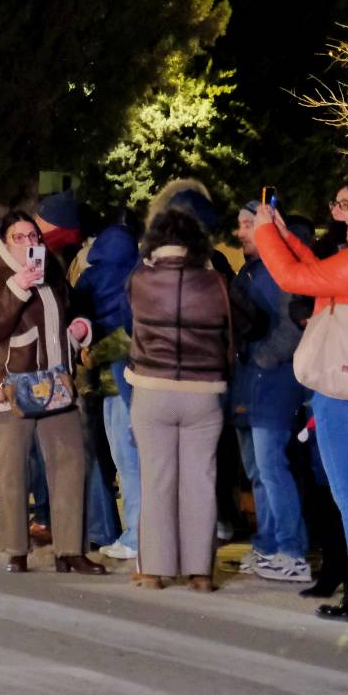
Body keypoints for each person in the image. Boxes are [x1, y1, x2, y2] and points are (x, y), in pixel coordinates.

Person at [251, 180, 348, 621]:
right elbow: (320, 273)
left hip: (342, 391)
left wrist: (264, 232)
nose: (337, 212)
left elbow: (295, 279)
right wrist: (285, 236)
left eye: (346, 204)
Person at [0, 210, 106, 574]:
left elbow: (73, 310)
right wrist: (18, 287)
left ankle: (70, 549)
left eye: (33, 236)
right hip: (12, 386)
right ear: (4, 243)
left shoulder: (53, 273)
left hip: (57, 384)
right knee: (13, 469)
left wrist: (79, 329)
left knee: (70, 463)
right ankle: (15, 548)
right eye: (19, 237)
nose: (29, 243)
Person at [126, 207, 235, 591]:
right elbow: (234, 329)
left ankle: (154, 570)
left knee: (156, 479)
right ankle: (201, 572)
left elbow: (128, 319)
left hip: (152, 389)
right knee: (201, 481)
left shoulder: (140, 280)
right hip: (203, 393)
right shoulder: (214, 282)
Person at [229, 200, 313, 584]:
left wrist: (263, 359)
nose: (240, 232)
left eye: (248, 224)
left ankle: (292, 551)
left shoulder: (280, 269)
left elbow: (294, 326)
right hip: (248, 382)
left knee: (272, 467)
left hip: (274, 382)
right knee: (258, 470)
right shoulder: (249, 271)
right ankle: (267, 544)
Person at [74, 222, 143, 561]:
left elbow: (78, 315)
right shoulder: (140, 276)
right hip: (138, 378)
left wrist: (91, 352)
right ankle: (140, 532)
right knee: (136, 461)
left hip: (109, 380)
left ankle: (136, 535)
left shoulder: (91, 277)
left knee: (125, 460)